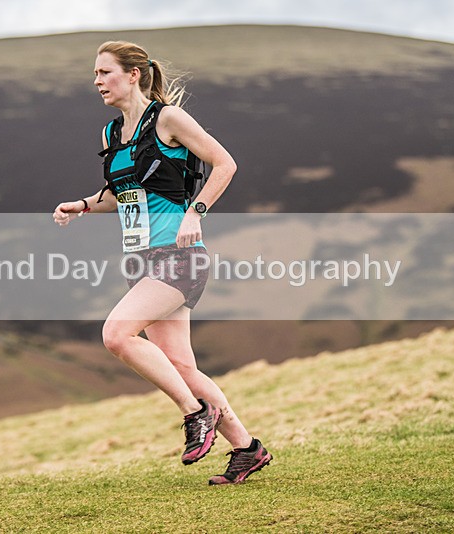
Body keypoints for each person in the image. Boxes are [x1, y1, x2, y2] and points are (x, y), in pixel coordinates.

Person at [52, 41, 271, 485]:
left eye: (105, 72)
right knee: (183, 368)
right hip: (142, 260)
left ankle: (195, 413)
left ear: (133, 74)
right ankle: (248, 450)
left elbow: (224, 164)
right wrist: (81, 205)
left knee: (116, 334)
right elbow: (122, 193)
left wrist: (198, 211)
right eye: (94, 74)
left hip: (180, 257)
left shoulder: (168, 119)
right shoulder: (111, 134)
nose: (97, 82)